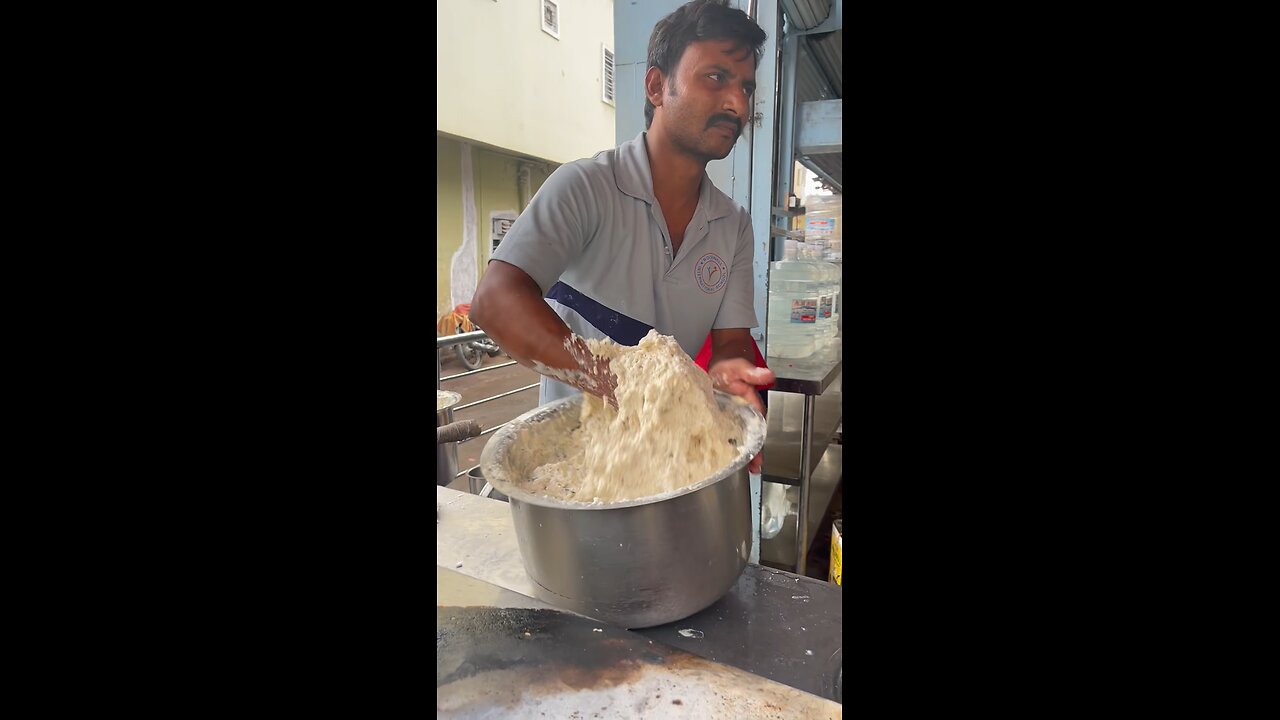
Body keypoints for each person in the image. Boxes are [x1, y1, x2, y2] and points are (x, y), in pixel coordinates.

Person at [469, 0, 774, 473]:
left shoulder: (732, 224)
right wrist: (619, 384)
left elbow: (731, 340)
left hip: (677, 466)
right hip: (583, 468)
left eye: (745, 86)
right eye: (715, 77)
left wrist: (727, 372)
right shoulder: (586, 188)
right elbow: (495, 301)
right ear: (656, 85)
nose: (736, 103)